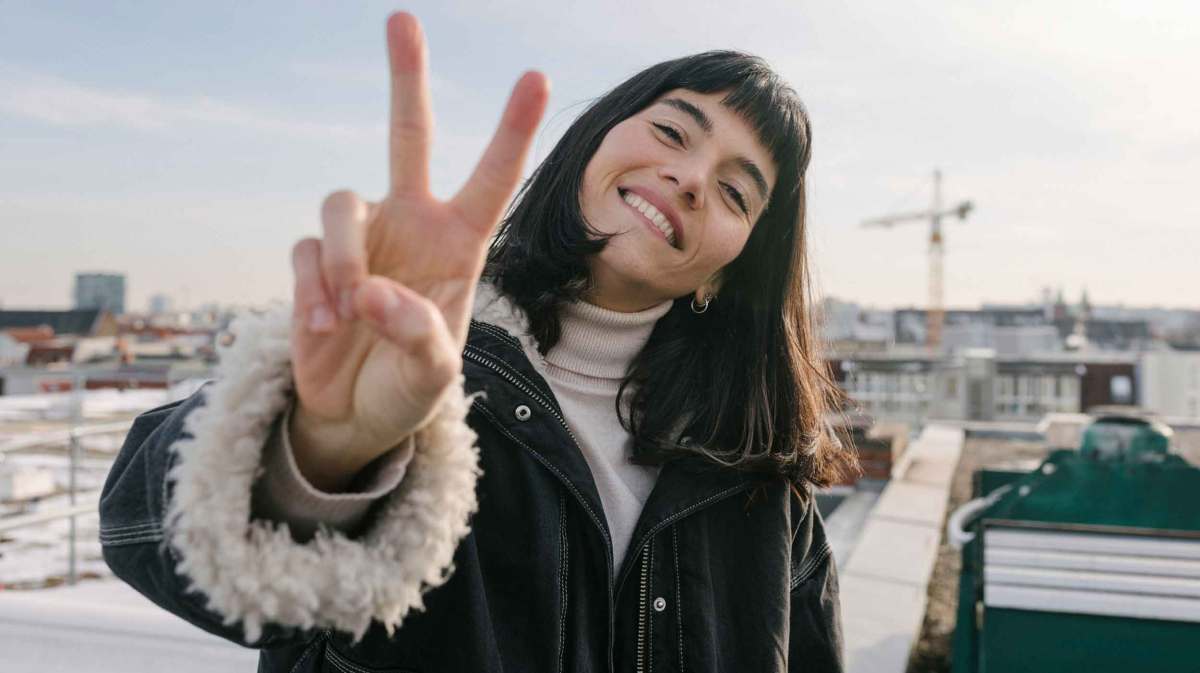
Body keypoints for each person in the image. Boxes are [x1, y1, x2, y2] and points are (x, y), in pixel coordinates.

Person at [99, 11, 857, 672]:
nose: (691, 177)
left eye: (734, 192)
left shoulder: (755, 475)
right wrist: (325, 446)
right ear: (594, 144)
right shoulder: (425, 356)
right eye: (671, 131)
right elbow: (146, 530)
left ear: (726, 273)